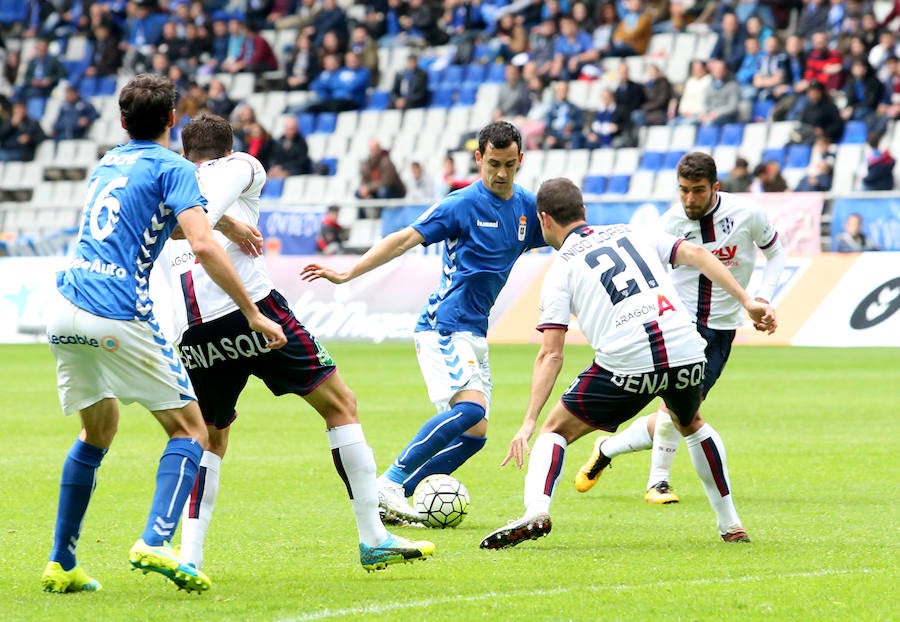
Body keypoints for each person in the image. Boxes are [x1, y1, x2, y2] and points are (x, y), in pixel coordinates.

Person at [40, 73, 288, 595]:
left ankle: (62, 561)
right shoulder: (176, 167)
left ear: (122, 120)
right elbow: (198, 243)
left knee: (97, 431)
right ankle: (156, 539)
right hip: (117, 311)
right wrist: (253, 313)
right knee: (192, 430)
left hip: (64, 308)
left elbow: (164, 222)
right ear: (172, 119)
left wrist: (224, 223)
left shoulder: (108, 162)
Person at [155, 112, 433, 572]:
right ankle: (373, 537)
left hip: (192, 329)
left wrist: (223, 225)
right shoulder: (245, 165)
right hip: (251, 308)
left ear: (186, 153)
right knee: (340, 405)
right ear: (230, 149)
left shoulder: (170, 180)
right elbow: (200, 220)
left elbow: (177, 226)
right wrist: (229, 225)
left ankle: (190, 557)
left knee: (209, 438)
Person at [479, 177, 777, 550]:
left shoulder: (560, 269)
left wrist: (528, 422)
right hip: (686, 348)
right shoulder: (633, 231)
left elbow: (551, 353)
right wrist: (748, 301)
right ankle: (731, 524)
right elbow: (698, 255)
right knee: (691, 423)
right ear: (584, 211)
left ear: (544, 220)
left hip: (627, 361)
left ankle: (536, 510)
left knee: (554, 431)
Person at [301, 121, 546, 524]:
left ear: (520, 159)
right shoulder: (459, 205)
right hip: (443, 325)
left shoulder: (526, 207)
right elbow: (402, 239)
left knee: (475, 436)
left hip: (475, 329)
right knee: (469, 411)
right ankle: (388, 483)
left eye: (509, 165)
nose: (501, 174)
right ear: (478, 158)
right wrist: (348, 273)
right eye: (493, 164)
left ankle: (394, 498)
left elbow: (564, 236)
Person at [568, 151, 786, 505]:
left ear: (715, 187)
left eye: (698, 190)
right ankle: (658, 482)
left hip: (721, 330)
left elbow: (775, 252)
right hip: (679, 324)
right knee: (679, 410)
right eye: (683, 190)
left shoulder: (747, 214)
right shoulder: (668, 223)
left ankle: (607, 448)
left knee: (681, 413)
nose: (689, 199)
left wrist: (763, 298)